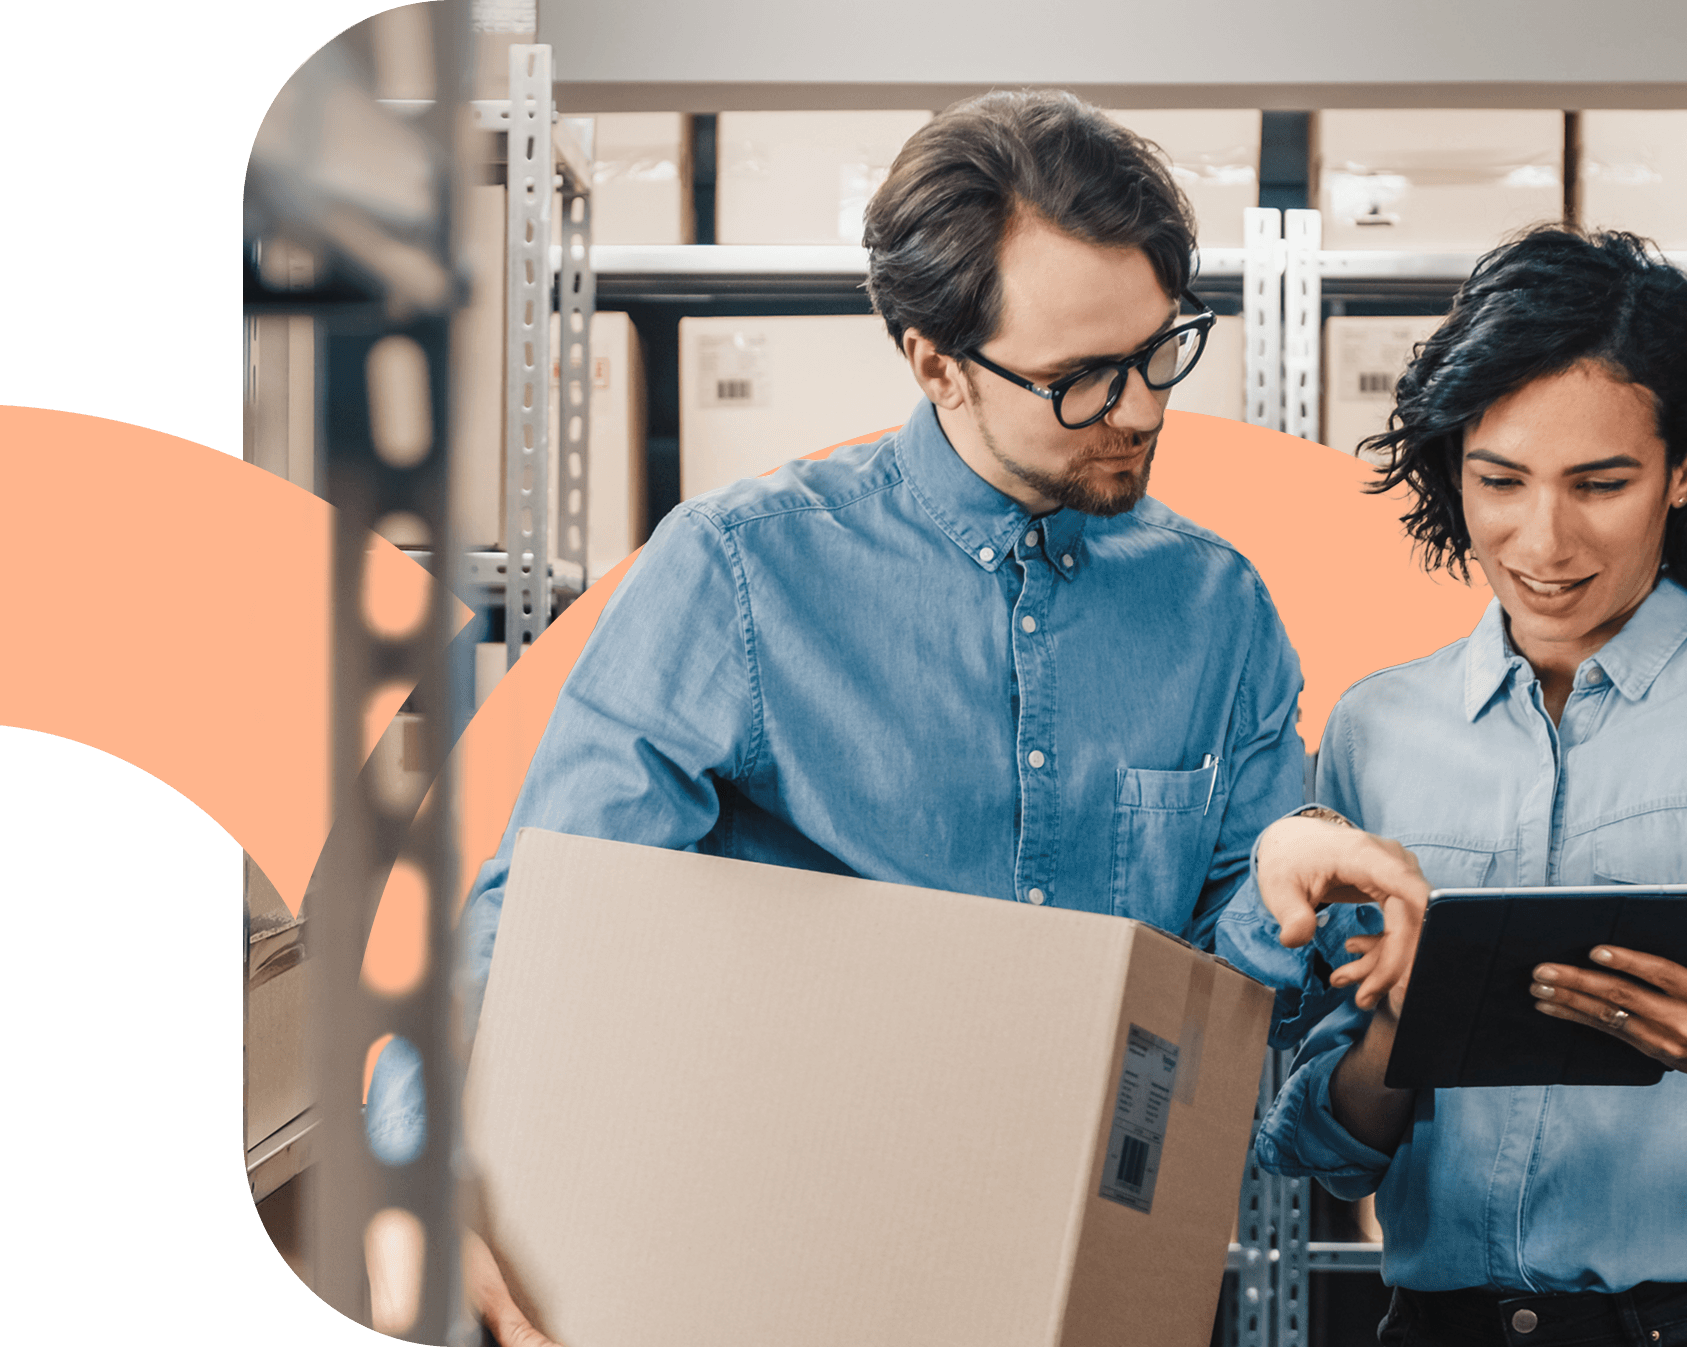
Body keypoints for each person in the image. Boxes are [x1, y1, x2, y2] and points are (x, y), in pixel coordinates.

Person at [371, 89, 1415, 1347]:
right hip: (787, 1286)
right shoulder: (743, 577)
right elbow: (534, 930)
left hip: (1101, 1299)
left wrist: (1286, 893)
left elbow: (1222, 1027)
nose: (1140, 408)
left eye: (1158, 351)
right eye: (1081, 379)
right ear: (932, 361)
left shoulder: (1218, 611)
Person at [1214, 229, 1687, 1347]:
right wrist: (1395, 1032)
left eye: (1601, 484)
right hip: (1443, 1325)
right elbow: (1329, 1146)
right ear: (1451, 468)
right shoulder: (1378, 726)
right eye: (1499, 481)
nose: (1544, 539)